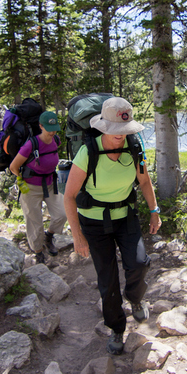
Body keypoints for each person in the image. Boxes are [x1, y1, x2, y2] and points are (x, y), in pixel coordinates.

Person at [63, 97, 162, 355]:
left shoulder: (134, 147)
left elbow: (144, 181)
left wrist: (154, 211)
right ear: (103, 127)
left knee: (139, 263)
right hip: (94, 222)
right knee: (107, 280)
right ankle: (117, 327)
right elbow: (69, 196)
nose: (120, 135)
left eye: (124, 130)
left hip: (125, 216)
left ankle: (136, 298)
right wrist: (77, 236)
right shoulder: (88, 152)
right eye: (115, 130)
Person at [9, 111, 67, 264]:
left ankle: (49, 237)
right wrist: (21, 181)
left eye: (54, 129)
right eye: (49, 129)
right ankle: (38, 252)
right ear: (41, 126)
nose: (52, 132)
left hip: (51, 184)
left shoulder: (56, 140)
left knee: (62, 214)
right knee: (35, 223)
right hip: (30, 188)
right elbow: (13, 167)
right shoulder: (31, 145)